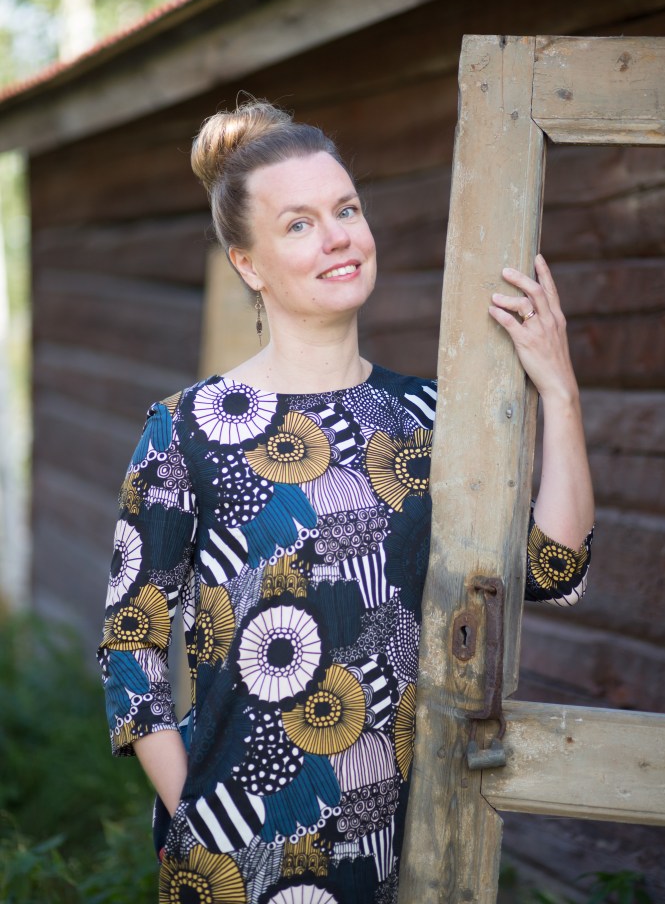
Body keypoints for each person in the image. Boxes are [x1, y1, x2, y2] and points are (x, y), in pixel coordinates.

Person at [97, 99, 594, 904]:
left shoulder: (431, 420)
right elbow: (131, 649)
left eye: (346, 210)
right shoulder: (186, 429)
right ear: (248, 264)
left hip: (399, 858)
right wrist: (197, 817)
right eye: (298, 224)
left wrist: (558, 390)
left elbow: (553, 569)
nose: (336, 236)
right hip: (229, 867)